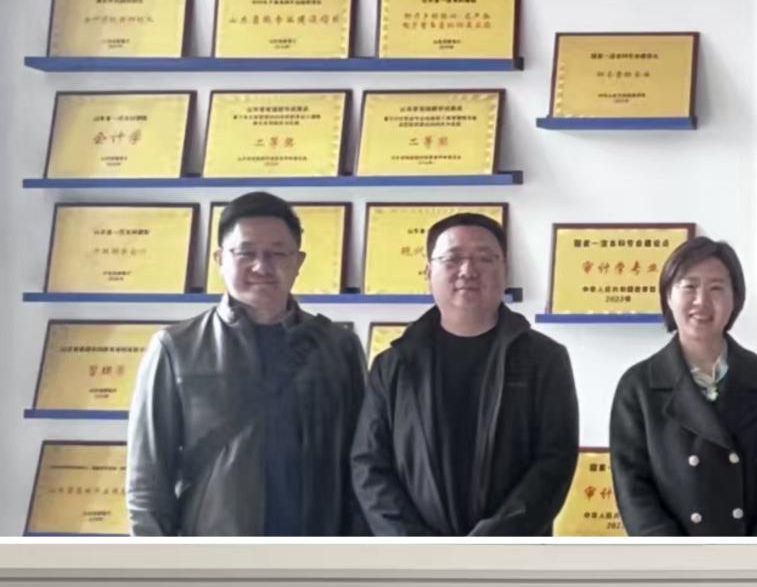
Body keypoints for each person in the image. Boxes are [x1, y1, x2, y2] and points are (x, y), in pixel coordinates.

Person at [127, 190, 365, 535]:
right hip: (215, 551)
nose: (262, 267)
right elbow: (147, 481)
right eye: (246, 253)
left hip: (316, 550)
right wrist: (157, 561)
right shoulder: (176, 348)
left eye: (277, 253)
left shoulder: (338, 347)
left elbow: (361, 464)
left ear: (298, 262)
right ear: (219, 259)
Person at [352, 212, 579, 535]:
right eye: (453, 258)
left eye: (485, 258)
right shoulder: (395, 364)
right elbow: (370, 465)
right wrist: (414, 543)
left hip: (513, 553)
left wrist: (491, 540)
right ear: (428, 272)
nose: (468, 271)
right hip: (414, 556)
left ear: (505, 271)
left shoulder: (545, 359)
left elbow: (555, 461)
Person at [608, 237, 757, 535]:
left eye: (716, 288)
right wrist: (675, 553)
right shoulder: (639, 386)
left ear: (735, 299)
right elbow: (632, 486)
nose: (702, 301)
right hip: (673, 558)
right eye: (689, 287)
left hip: (755, 554)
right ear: (668, 296)